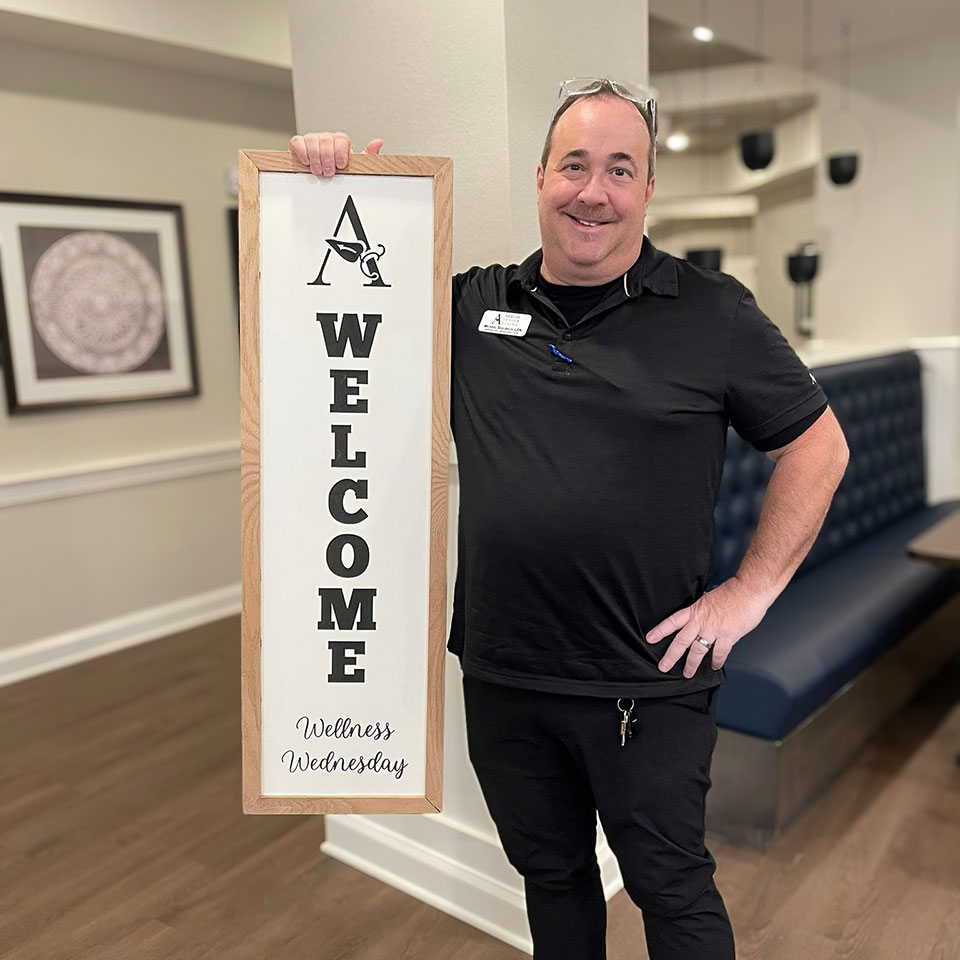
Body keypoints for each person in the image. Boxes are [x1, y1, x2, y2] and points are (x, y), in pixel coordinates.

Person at [290, 77, 849, 960]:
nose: (595, 191)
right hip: (507, 671)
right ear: (541, 176)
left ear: (649, 190)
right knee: (550, 875)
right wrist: (332, 188)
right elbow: (326, 310)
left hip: (647, 678)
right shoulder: (470, 307)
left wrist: (747, 595)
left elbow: (819, 449)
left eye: (621, 169)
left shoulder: (715, 315)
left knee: (670, 885)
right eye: (576, 165)